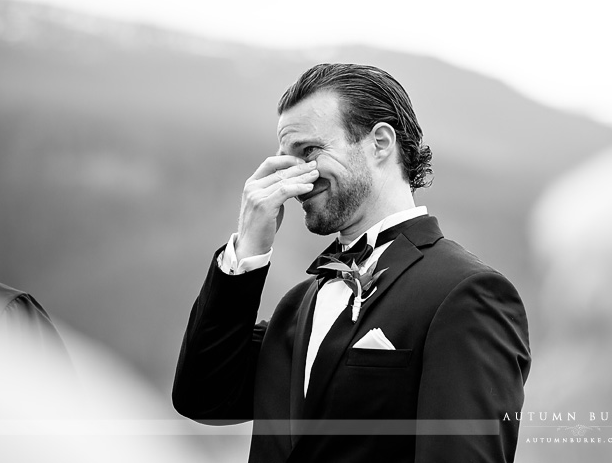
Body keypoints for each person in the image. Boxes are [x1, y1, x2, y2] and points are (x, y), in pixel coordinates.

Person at [172, 63, 531, 462]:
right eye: (285, 160)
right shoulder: (297, 306)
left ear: (380, 142)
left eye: (309, 151)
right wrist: (248, 245)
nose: (297, 178)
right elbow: (202, 398)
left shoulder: (467, 293)